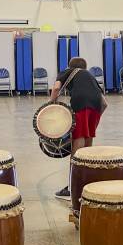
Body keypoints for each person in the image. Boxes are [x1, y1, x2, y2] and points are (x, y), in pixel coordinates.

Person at [51, 57, 107, 199]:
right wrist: (94, 119)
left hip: (81, 104)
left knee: (78, 143)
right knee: (88, 146)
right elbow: (105, 103)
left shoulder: (66, 72)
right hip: (96, 107)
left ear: (70, 66)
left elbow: (56, 87)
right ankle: (87, 183)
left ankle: (72, 188)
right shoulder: (90, 76)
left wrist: (51, 105)